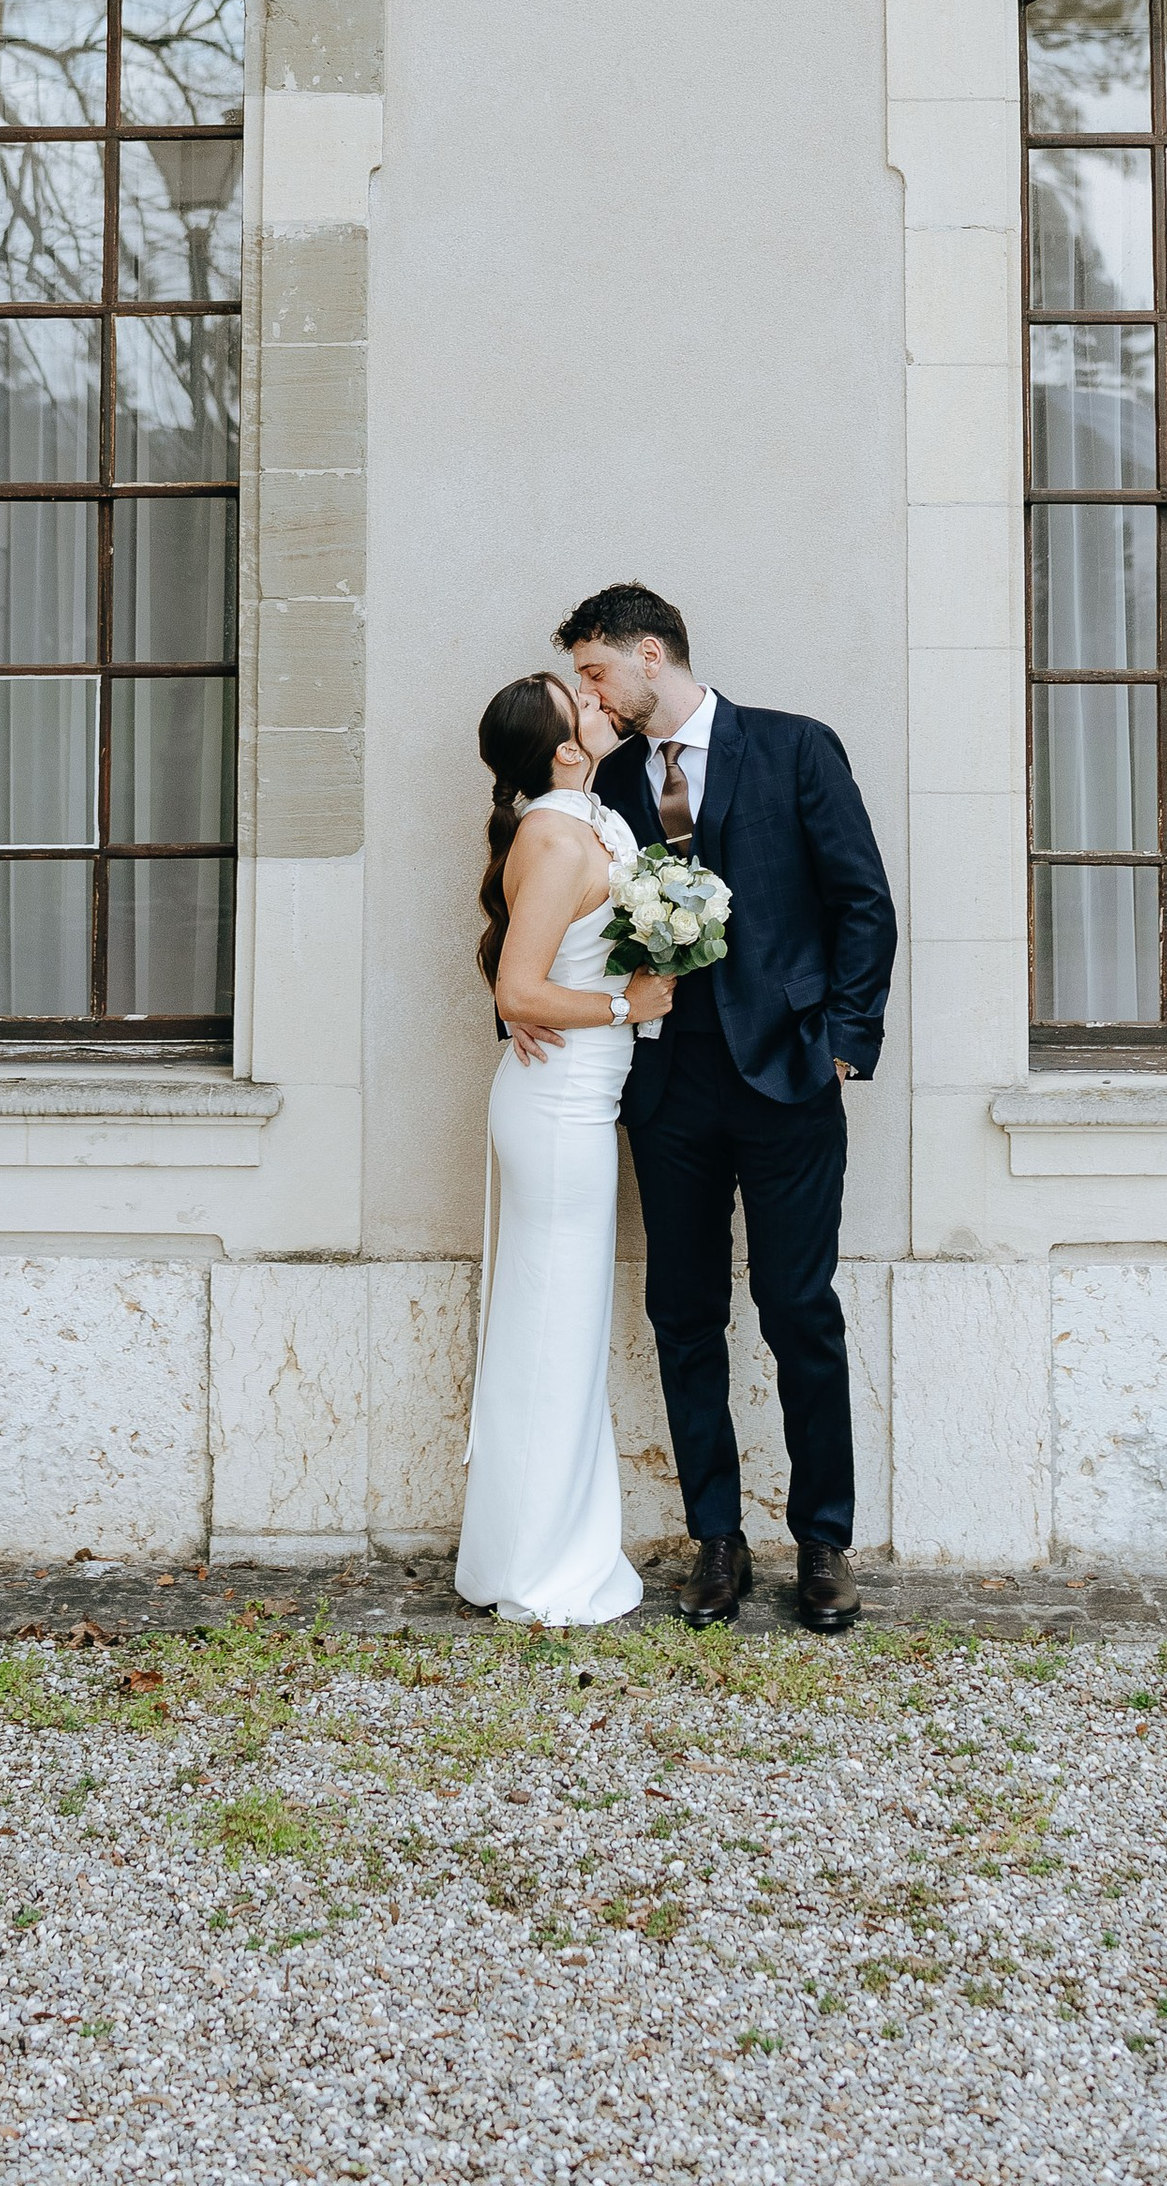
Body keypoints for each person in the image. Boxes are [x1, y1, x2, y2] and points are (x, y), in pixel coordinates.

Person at [559, 582, 897, 1637]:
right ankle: (717, 1540)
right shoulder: (608, 779)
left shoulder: (795, 749)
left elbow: (861, 902)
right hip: (665, 1086)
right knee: (684, 1313)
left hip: (790, 1079)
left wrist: (845, 1045)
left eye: (597, 671)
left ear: (651, 653)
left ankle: (825, 1543)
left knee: (801, 1313)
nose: (591, 693)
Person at [452, 670, 674, 1623]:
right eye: (575, 697)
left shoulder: (581, 822)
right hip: (557, 1110)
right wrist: (632, 1002)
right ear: (563, 748)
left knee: (559, 1330)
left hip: (578, 1101)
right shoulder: (550, 837)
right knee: (553, 1332)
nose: (596, 699)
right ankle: (541, 1569)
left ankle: (524, 1553)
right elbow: (518, 994)